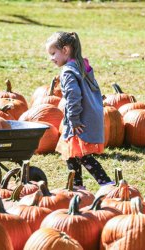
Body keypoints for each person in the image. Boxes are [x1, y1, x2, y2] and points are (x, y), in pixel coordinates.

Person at [46, 31, 113, 189]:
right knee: (71, 152)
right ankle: (77, 186)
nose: (51, 58)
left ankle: (107, 184)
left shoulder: (68, 72)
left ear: (66, 50)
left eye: (53, 53)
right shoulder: (82, 65)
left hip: (79, 120)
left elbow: (73, 97)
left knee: (82, 154)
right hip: (91, 116)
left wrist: (74, 120)